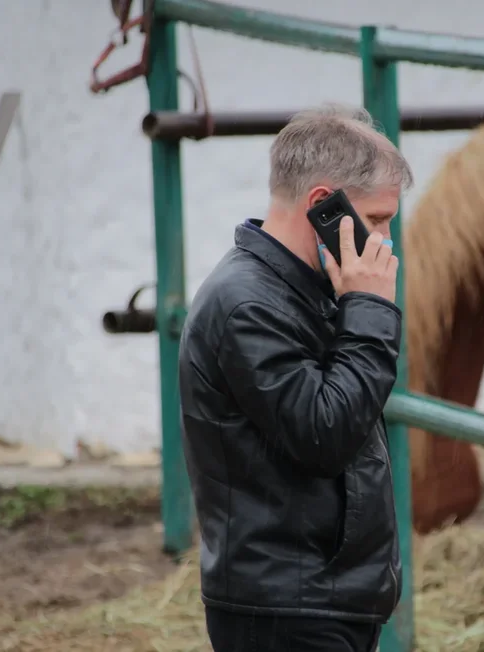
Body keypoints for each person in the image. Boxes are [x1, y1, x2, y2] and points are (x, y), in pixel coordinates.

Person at [177, 103, 414, 652]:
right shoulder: (247, 306)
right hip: (285, 609)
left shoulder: (310, 291)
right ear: (321, 207)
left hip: (319, 599)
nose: (385, 241)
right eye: (376, 220)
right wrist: (370, 310)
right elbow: (323, 434)